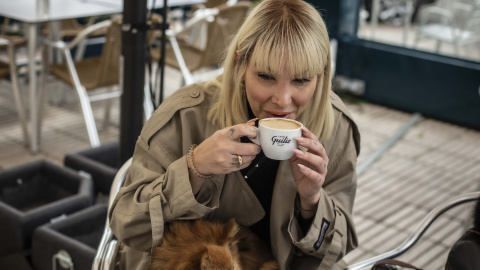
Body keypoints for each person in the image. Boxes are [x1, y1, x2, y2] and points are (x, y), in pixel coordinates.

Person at [109, 0, 361, 269]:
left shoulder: (337, 129)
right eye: (266, 76)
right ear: (241, 65)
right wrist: (193, 169)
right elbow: (126, 224)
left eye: (301, 80)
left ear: (321, 75)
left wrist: (312, 203)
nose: (283, 100)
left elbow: (336, 248)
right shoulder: (187, 116)